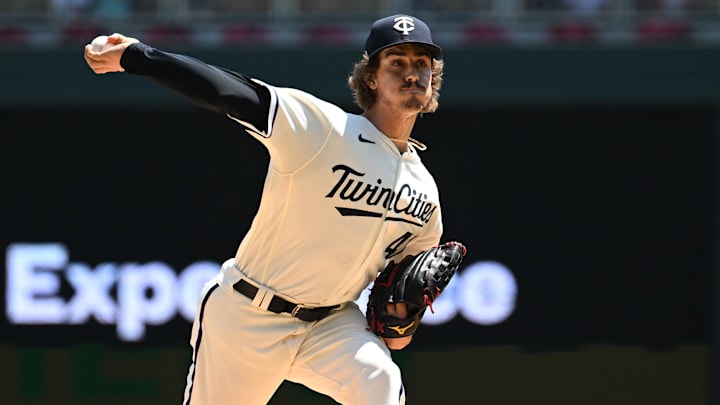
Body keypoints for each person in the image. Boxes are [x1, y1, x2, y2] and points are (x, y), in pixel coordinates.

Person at [84, 14, 446, 405]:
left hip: (331, 323)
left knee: (380, 381)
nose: (413, 74)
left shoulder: (425, 195)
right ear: (371, 77)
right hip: (248, 314)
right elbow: (232, 93)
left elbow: (399, 331)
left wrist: (401, 319)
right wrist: (139, 56)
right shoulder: (325, 130)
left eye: (421, 63)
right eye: (397, 62)